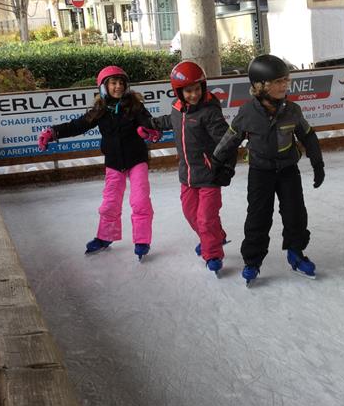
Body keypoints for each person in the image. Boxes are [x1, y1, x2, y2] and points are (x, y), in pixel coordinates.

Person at [212, 54, 325, 285]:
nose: (284, 85)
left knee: (295, 214)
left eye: (285, 80)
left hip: (287, 171)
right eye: (278, 82)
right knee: (258, 217)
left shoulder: (292, 110)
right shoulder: (247, 113)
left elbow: (308, 135)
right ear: (261, 86)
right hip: (260, 172)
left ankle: (295, 253)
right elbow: (230, 139)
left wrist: (317, 162)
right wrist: (216, 162)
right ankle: (252, 261)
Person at [37, 65, 157, 259]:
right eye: (113, 83)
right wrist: (53, 132)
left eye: (121, 83)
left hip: (137, 160)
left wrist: (151, 132)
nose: (118, 87)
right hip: (114, 162)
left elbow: (149, 123)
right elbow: (77, 125)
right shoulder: (100, 110)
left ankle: (142, 240)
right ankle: (105, 237)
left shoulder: (135, 107)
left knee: (140, 200)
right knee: (110, 203)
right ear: (104, 86)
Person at [145, 61, 233, 274]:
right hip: (187, 175)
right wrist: (151, 125)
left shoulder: (209, 112)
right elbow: (170, 121)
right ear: (179, 92)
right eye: (188, 91)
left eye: (196, 89)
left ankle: (212, 253)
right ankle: (215, 236)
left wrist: (226, 167)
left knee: (205, 218)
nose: (193, 95)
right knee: (190, 213)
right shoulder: (178, 109)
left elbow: (226, 141)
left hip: (209, 174)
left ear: (203, 87)